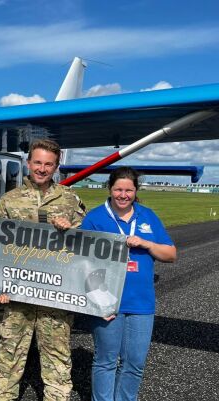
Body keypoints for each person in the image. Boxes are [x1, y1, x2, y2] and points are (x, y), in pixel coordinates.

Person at [0, 138, 86, 401]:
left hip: (54, 296)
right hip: (16, 297)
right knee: (8, 359)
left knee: (57, 361)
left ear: (56, 167)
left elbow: (88, 249)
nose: (42, 169)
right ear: (29, 163)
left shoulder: (70, 200)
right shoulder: (9, 201)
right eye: (38, 163)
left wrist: (72, 229)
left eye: (49, 164)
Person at [80, 167, 176, 401]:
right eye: (118, 189)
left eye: (129, 190)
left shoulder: (147, 216)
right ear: (110, 189)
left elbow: (171, 254)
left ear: (136, 191)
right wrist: (95, 304)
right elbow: (81, 265)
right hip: (106, 301)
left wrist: (146, 243)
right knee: (106, 361)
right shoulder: (94, 218)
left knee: (135, 363)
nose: (123, 195)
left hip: (141, 303)